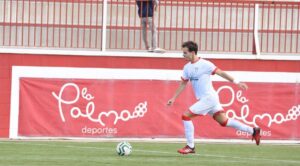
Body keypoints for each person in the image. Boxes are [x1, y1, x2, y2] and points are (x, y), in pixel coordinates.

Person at [167, 41, 261, 154]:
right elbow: (183, 83)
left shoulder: (205, 64)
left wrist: (236, 82)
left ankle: (190, 146)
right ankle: (253, 130)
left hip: (209, 98)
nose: (183, 55)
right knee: (224, 121)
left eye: (185, 53)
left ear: (192, 52)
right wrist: (173, 98)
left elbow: (221, 73)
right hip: (206, 99)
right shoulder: (187, 67)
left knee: (185, 116)